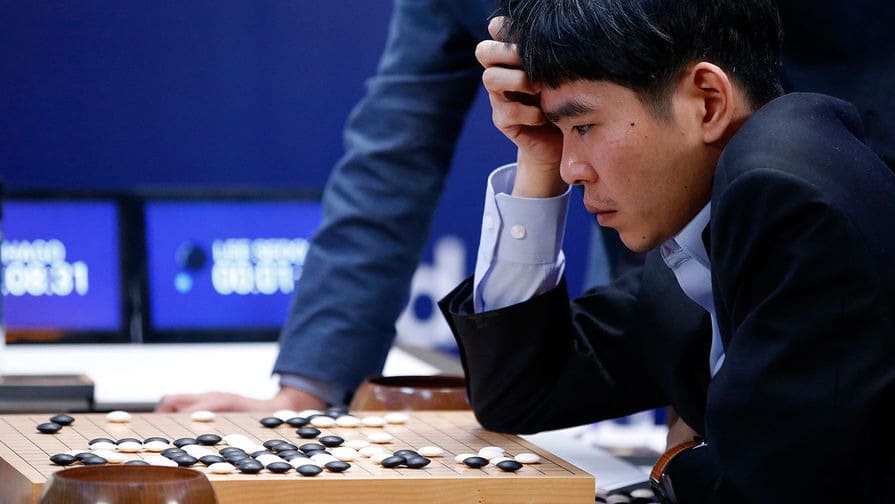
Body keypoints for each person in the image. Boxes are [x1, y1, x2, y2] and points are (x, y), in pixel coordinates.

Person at [439, 0, 895, 502]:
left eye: (584, 126)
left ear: (707, 101)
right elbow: (521, 392)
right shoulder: (715, 221)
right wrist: (535, 159)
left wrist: (676, 467)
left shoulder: (785, 197)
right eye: (558, 132)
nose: (570, 168)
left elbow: (763, 488)